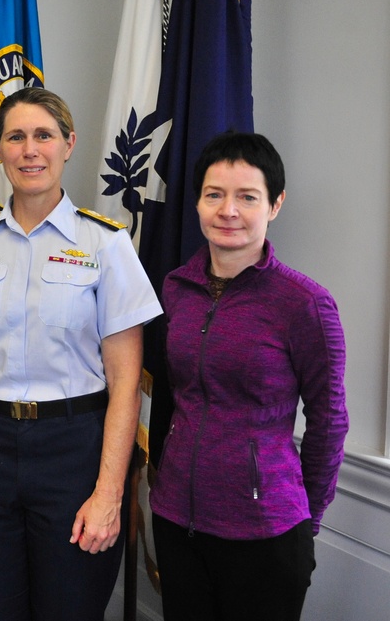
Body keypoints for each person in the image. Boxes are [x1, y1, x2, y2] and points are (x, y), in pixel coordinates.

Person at [0, 87, 163, 620]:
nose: (29, 149)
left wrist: (109, 492)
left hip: (75, 450)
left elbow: (126, 382)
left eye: (43, 135)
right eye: (15, 137)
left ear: (68, 144)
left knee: (70, 609)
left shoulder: (106, 244)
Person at [149, 131, 348, 621]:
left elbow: (329, 422)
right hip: (176, 520)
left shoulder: (306, 304)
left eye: (247, 197)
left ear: (275, 205)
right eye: (214, 194)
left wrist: (307, 518)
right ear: (197, 202)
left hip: (267, 532)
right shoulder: (176, 288)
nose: (228, 211)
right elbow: (174, 396)